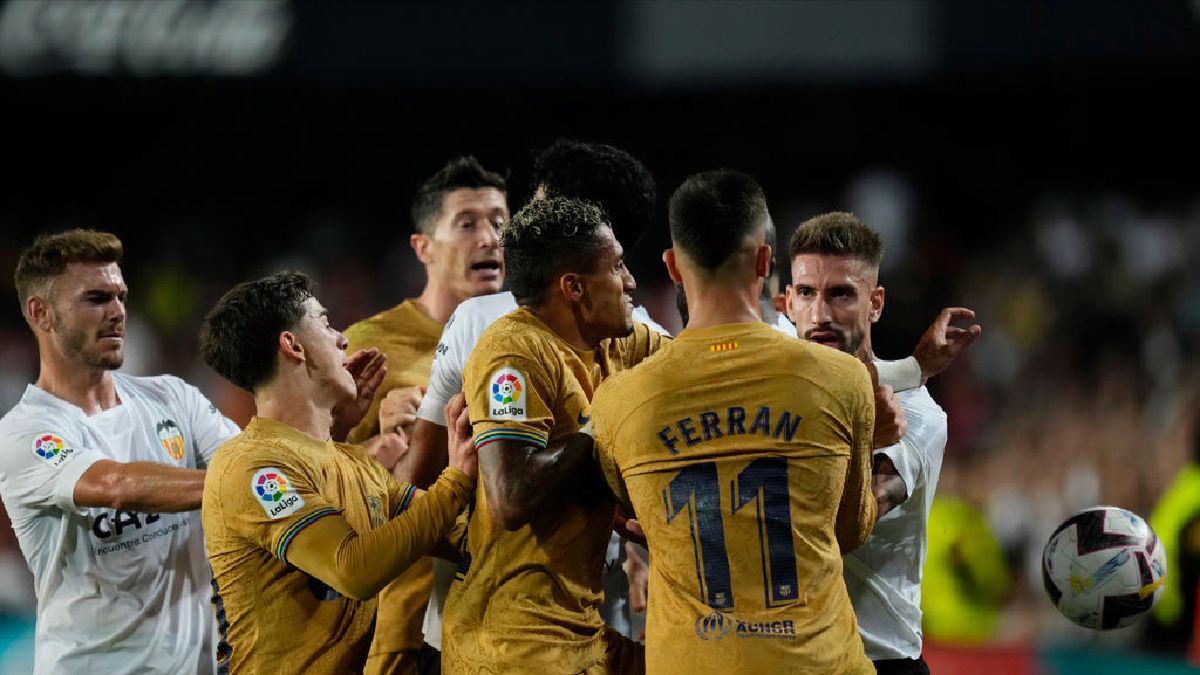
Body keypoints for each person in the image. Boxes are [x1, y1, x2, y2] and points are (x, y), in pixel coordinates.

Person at [589, 170, 877, 673]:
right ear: (766, 261)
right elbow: (849, 531)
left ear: (674, 267)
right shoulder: (842, 379)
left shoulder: (619, 400)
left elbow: (631, 518)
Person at [407, 139, 669, 654]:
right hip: (514, 625)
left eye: (541, 205)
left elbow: (415, 482)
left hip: (583, 619)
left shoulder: (625, 333)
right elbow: (491, 495)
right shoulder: (501, 336)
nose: (519, 222)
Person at [198, 271, 478, 675]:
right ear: (292, 346)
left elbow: (458, 532)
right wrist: (456, 481)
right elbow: (353, 569)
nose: (343, 338)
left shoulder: (354, 463)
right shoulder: (251, 465)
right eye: (326, 324)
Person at [0, 229, 242, 675]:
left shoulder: (174, 398)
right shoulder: (23, 433)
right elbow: (114, 485)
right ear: (41, 313)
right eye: (96, 299)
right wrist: (237, 483)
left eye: (121, 297)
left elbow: (258, 467)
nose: (117, 313)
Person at [785, 211, 981, 675]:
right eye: (808, 294)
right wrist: (913, 366)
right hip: (786, 660)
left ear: (875, 303)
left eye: (841, 295)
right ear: (787, 302)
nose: (821, 315)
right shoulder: (781, 388)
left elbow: (835, 530)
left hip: (878, 661)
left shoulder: (917, 415)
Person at [342, 156, 507, 675]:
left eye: (500, 222)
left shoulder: (529, 336)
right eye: (467, 223)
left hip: (505, 615)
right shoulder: (369, 344)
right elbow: (319, 470)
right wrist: (386, 441)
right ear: (422, 247)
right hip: (409, 629)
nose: (490, 237)